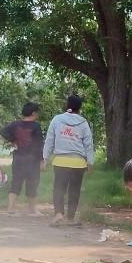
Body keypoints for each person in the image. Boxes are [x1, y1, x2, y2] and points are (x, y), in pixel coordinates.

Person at [43, 94, 95, 226]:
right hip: (78, 163)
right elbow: (88, 144)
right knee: (74, 190)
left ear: (67, 105)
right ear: (80, 107)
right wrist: (90, 162)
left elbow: (49, 140)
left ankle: (58, 214)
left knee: (59, 188)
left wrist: (45, 158)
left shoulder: (57, 120)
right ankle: (70, 218)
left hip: (61, 161)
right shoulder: (83, 123)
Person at [2, 101, 43, 215]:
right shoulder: (36, 126)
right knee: (32, 183)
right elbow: (39, 144)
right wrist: (42, 161)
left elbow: (3, 132)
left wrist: (13, 140)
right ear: (34, 113)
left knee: (16, 182)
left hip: (18, 158)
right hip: (32, 160)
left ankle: (10, 209)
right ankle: (32, 209)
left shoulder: (16, 124)